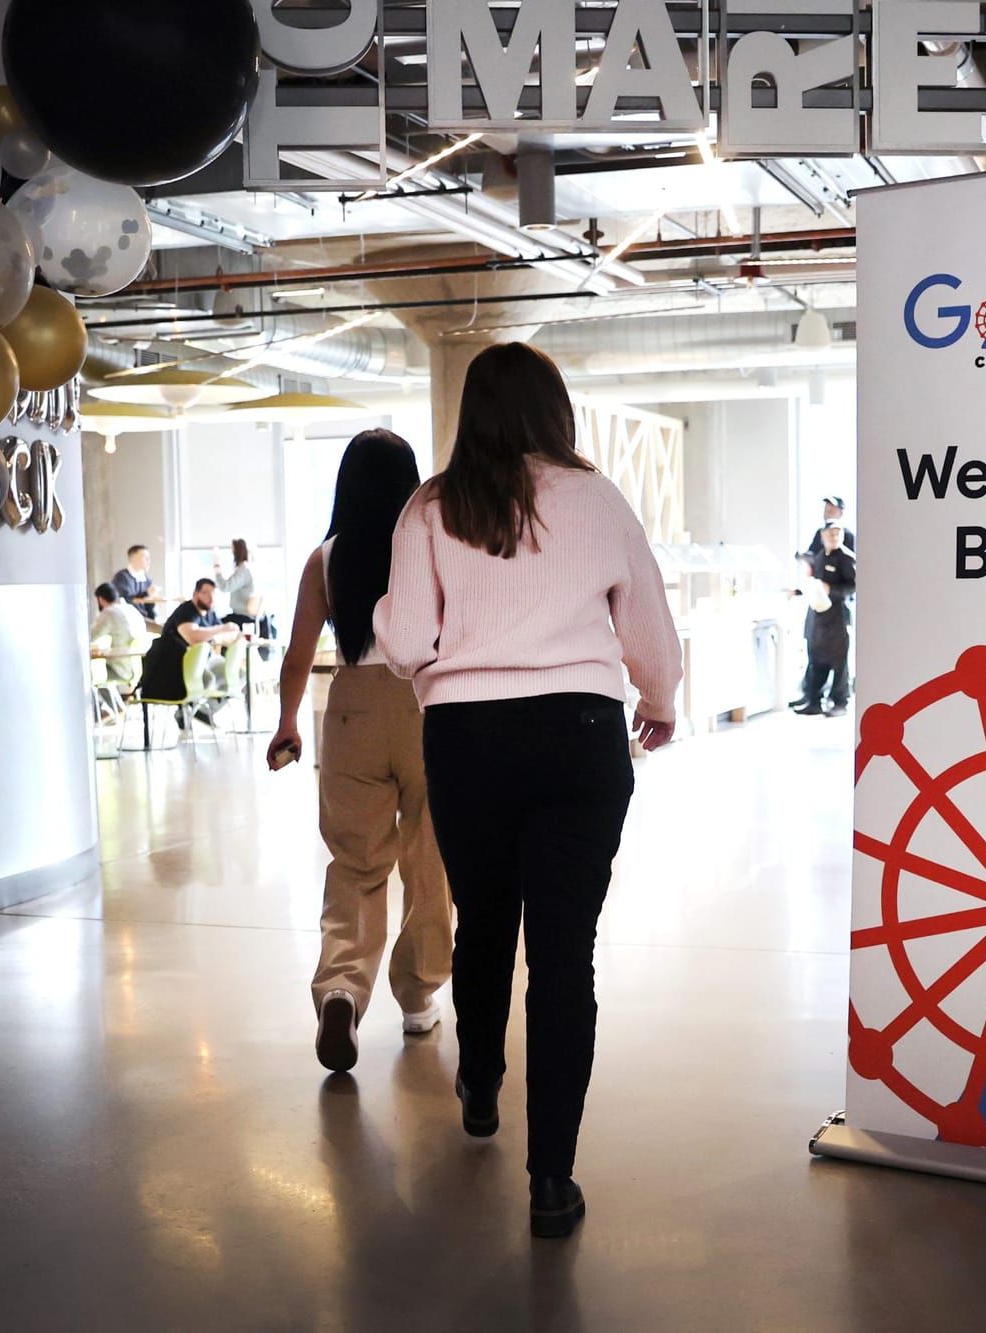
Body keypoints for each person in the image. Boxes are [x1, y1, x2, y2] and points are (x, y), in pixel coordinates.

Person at [375, 342, 681, 1242]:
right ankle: (552, 1179)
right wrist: (658, 703)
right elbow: (649, 626)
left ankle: (478, 1087)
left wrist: (448, 647)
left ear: (471, 412)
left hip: (467, 737)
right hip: (580, 736)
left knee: (482, 918)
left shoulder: (430, 506)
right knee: (564, 955)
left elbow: (405, 640)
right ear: (556, 412)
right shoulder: (597, 497)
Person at [266, 432, 452, 1075]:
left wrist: (287, 723)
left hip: (349, 712)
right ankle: (418, 994)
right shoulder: (431, 549)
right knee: (431, 860)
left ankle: (342, 989)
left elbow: (297, 655)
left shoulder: (326, 557)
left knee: (355, 862)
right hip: (426, 706)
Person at [136, 578, 239, 726]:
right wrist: (219, 631)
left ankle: (198, 711)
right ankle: (192, 711)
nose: (211, 598)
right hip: (171, 668)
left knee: (236, 674)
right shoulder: (186, 611)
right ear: (195, 594)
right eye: (206, 593)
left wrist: (220, 633)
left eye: (213, 594)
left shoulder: (210, 614)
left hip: (200, 664)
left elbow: (227, 635)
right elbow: (193, 637)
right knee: (209, 678)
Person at [795, 523, 855, 717]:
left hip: (838, 616)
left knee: (839, 662)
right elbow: (814, 583)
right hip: (819, 617)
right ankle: (814, 700)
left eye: (838, 533)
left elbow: (852, 586)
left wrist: (833, 590)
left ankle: (839, 702)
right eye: (830, 534)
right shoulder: (819, 557)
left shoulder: (847, 559)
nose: (834, 537)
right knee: (816, 658)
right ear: (822, 536)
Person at [89, 583, 147, 687]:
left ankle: (101, 703)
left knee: (90, 674)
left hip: (120, 668)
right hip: (138, 668)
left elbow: (91, 636)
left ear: (100, 599)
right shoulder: (131, 609)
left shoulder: (109, 612)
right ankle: (114, 703)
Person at [110, 544, 161, 623]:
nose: (148, 560)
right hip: (128, 620)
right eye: (145, 557)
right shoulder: (121, 577)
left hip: (145, 619)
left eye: (149, 558)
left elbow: (149, 605)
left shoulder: (146, 579)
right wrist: (147, 594)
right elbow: (125, 600)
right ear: (133, 558)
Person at [214, 538, 258, 629]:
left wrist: (217, 568)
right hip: (243, 615)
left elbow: (225, 587)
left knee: (213, 626)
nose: (231, 552)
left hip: (243, 617)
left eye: (232, 550)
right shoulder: (247, 569)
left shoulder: (243, 570)